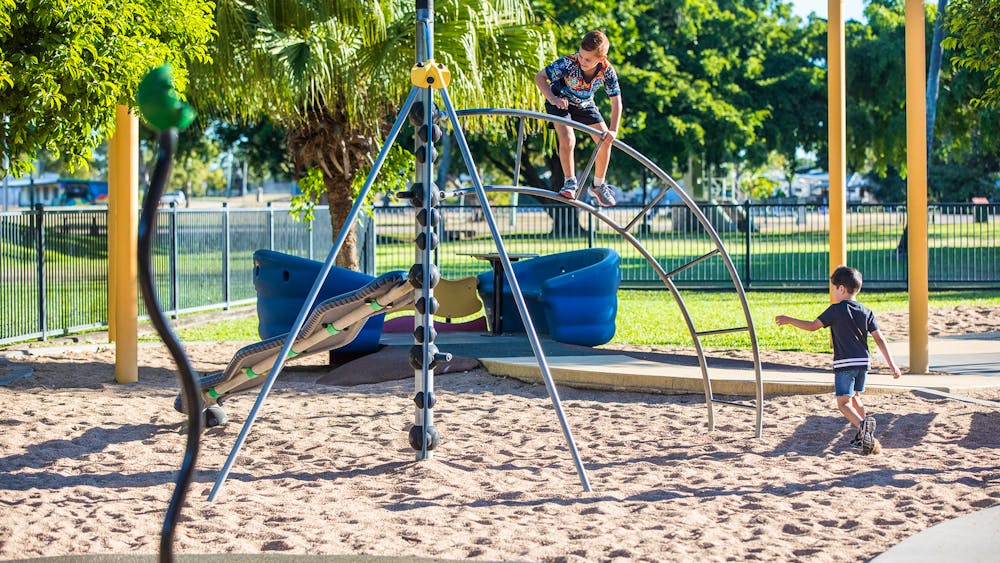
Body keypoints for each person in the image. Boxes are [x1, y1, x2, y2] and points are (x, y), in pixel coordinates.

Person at [774, 266, 902, 455]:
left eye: (833, 289)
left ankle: (862, 426)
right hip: (863, 363)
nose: (833, 292)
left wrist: (789, 319)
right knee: (856, 397)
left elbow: (812, 327)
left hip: (845, 363)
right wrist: (892, 365)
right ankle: (863, 436)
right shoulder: (866, 311)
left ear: (841, 289)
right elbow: (879, 339)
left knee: (843, 403)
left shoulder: (836, 310)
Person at [534, 30, 622, 207]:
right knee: (568, 138)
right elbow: (540, 77)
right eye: (581, 55)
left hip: (584, 104)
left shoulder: (607, 71)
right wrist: (553, 99)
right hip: (560, 100)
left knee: (605, 139)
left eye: (587, 59)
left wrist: (613, 129)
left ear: (601, 58)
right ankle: (570, 182)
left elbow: (616, 102)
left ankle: (598, 185)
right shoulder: (569, 62)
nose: (582, 61)